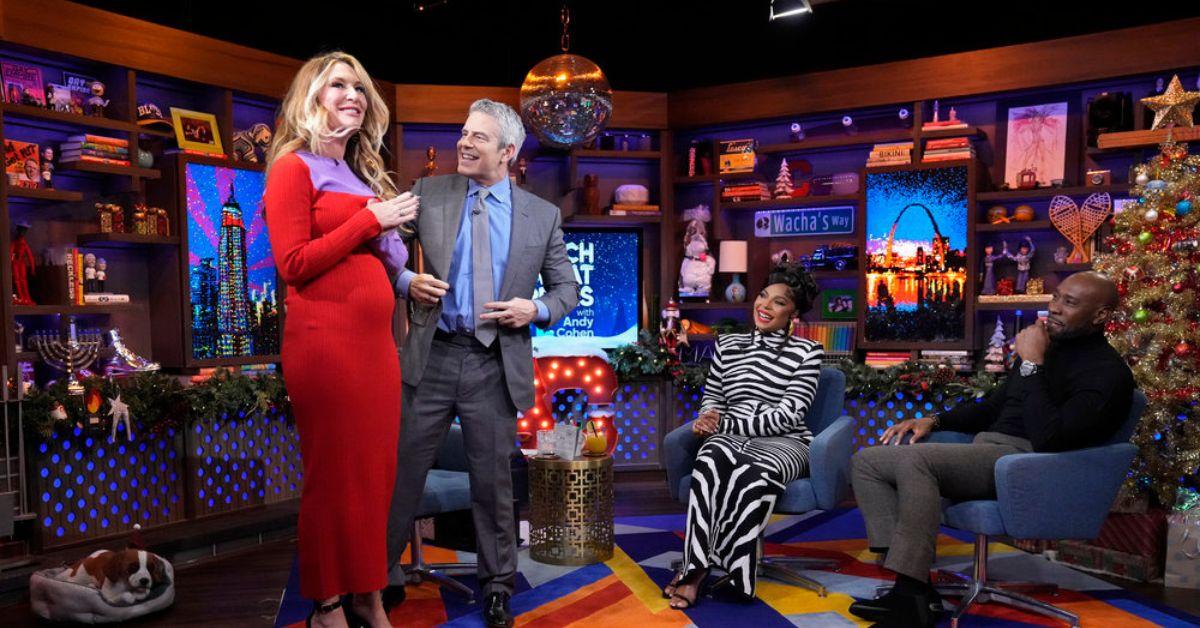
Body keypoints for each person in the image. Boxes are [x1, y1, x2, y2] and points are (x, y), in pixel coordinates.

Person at [376, 99, 578, 628]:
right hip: (434, 353)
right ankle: (378, 581)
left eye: (478, 138)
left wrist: (533, 308)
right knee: (400, 474)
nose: (464, 143)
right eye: (463, 133)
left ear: (508, 152)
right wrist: (405, 282)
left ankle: (496, 587)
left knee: (493, 484)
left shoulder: (542, 215)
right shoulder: (428, 192)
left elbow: (567, 291)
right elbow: (379, 247)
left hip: (495, 361)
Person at [849, 271, 1135, 628]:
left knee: (915, 460)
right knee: (867, 461)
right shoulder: (1048, 348)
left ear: (1101, 316)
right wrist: (934, 420)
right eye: (1056, 297)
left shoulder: (1107, 373)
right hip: (987, 450)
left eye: (1070, 303)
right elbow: (994, 406)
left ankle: (911, 597)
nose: (1055, 308)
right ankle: (914, 587)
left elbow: (1052, 438)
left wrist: (1031, 364)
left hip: (1028, 462)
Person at [263, 51, 418, 628]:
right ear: (312, 97)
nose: (352, 93)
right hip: (323, 344)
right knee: (332, 478)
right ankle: (326, 602)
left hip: (376, 348)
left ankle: (368, 595)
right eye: (337, 85)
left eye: (359, 86)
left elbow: (372, 257)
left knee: (374, 479)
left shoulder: (360, 173)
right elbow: (294, 263)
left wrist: (398, 258)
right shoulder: (291, 168)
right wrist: (370, 223)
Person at [664, 263, 824, 609]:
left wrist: (725, 424)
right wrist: (708, 416)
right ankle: (696, 568)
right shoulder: (728, 344)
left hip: (786, 441)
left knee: (752, 475)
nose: (765, 306)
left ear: (793, 312)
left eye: (779, 302)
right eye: (764, 295)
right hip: (729, 435)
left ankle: (739, 573)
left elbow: (788, 415)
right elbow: (714, 398)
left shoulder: (807, 353)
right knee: (708, 460)